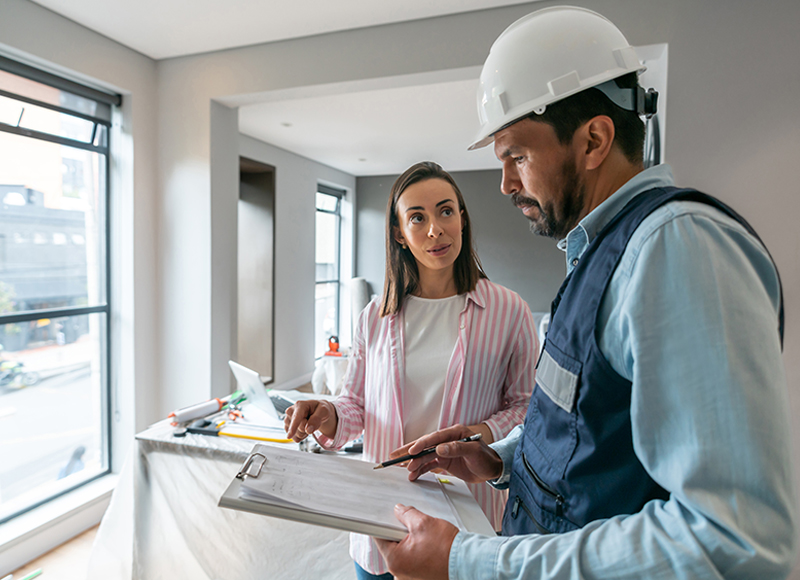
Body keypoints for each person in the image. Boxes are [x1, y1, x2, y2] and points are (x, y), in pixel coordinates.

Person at [374, 6, 796, 580]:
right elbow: (589, 428)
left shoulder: (678, 250)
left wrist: (466, 561)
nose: (505, 184)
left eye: (517, 156)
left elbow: (731, 539)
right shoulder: (604, 255)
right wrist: (499, 457)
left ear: (594, 139)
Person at [284, 161, 538, 579]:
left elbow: (526, 408)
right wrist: (327, 414)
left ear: (462, 218)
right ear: (400, 233)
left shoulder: (510, 310)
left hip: (469, 529)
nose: (435, 229)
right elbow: (355, 405)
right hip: (381, 525)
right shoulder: (374, 317)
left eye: (446, 211)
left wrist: (477, 438)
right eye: (417, 217)